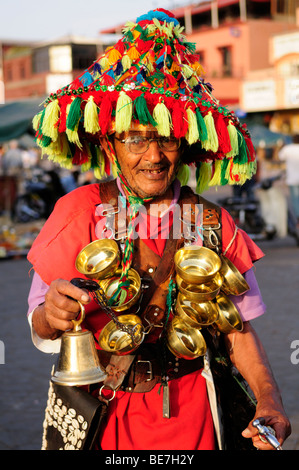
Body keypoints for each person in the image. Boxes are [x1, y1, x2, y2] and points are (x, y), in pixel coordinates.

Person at [27, 9, 290, 451]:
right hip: (102, 413)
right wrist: (49, 314)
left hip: (195, 415)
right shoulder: (78, 211)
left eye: (165, 139)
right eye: (135, 139)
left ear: (184, 144)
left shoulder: (211, 222)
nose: (153, 156)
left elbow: (238, 331)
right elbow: (40, 320)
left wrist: (270, 399)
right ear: (110, 144)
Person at [278, 134, 299, 227]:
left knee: (295, 200)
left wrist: (282, 146)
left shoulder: (288, 149)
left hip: (292, 179)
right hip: (293, 179)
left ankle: (298, 219)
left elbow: (280, 157)